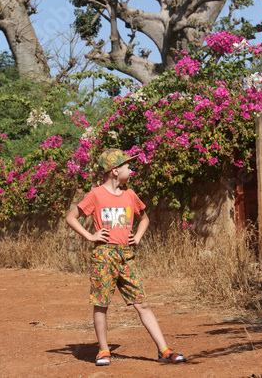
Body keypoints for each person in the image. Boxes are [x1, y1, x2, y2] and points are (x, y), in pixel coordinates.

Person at [66, 147, 186, 366]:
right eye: (127, 166)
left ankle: (164, 350)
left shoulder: (130, 194)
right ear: (114, 170)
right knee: (101, 304)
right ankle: (103, 351)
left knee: (142, 303)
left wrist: (137, 237)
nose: (131, 170)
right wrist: (90, 236)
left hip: (126, 255)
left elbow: (145, 219)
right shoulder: (95, 194)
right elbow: (71, 217)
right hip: (104, 254)